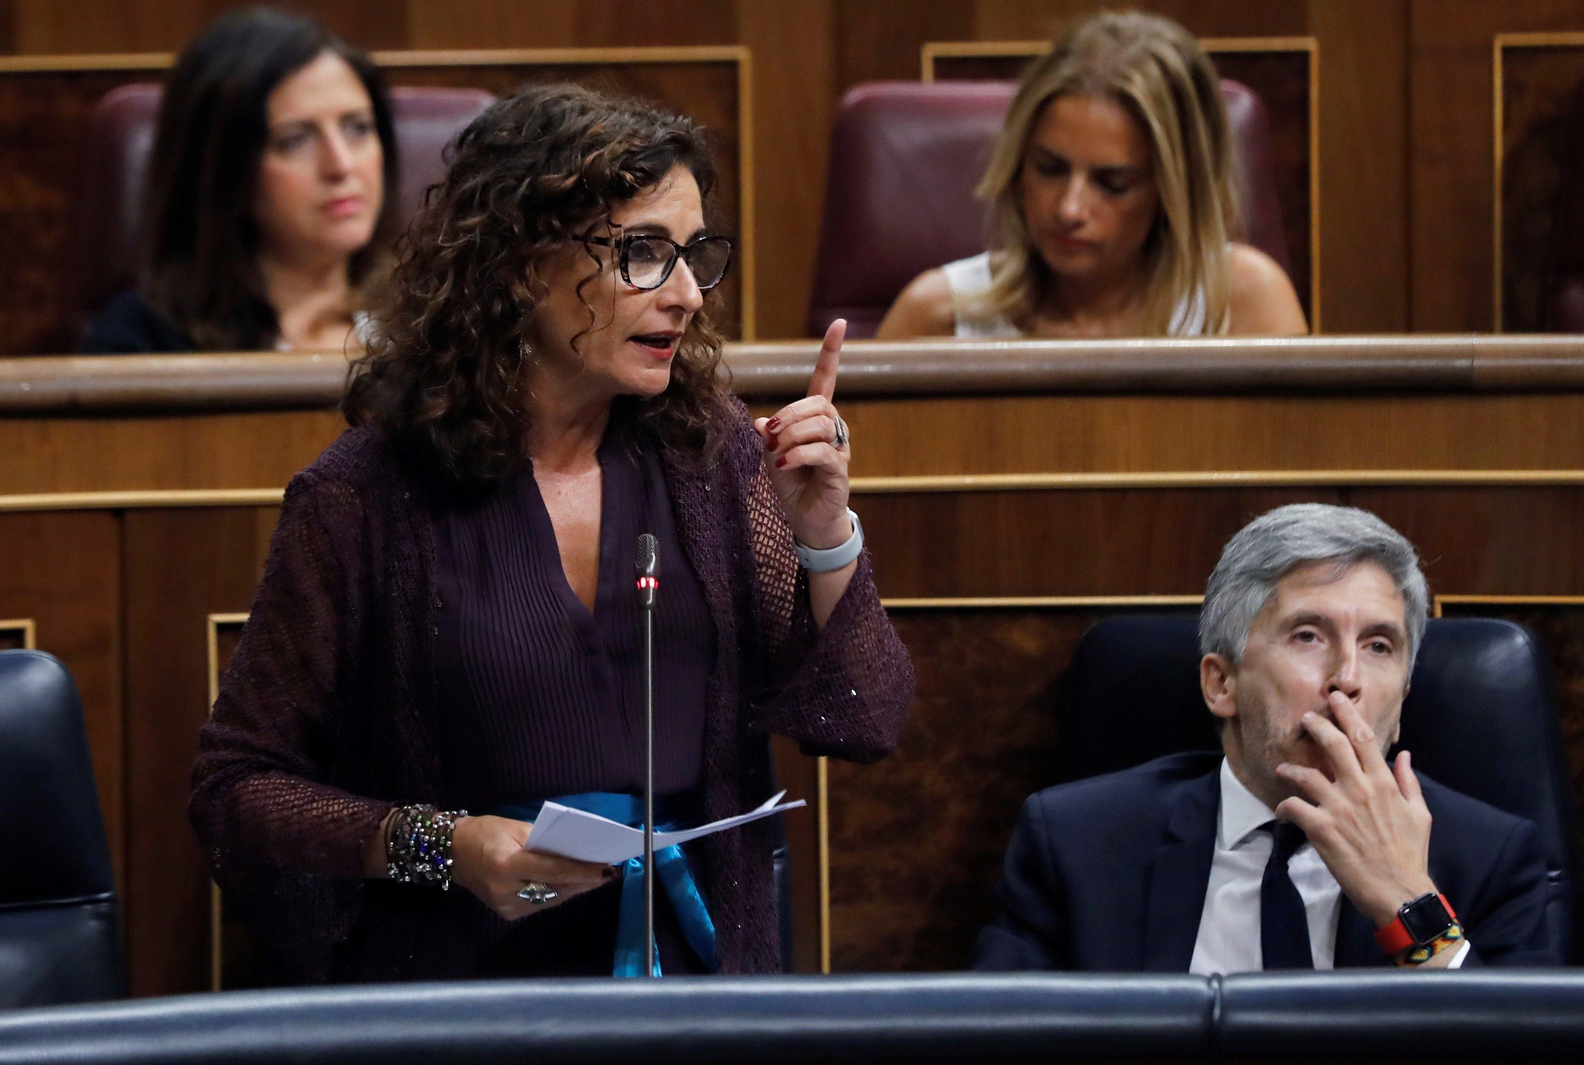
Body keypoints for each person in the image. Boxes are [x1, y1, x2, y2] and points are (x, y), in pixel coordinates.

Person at [190, 82, 913, 984]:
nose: (687, 294)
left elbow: (867, 715)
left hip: (696, 983)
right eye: (643, 253)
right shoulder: (364, 501)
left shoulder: (711, 455)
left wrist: (824, 533)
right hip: (466, 994)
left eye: (695, 255)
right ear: (520, 264)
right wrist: (444, 846)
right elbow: (236, 790)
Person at [976, 503, 1558, 972]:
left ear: (1402, 702)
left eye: (1379, 646)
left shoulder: (1491, 859)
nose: (1348, 678)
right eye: (1308, 636)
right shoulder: (1076, 844)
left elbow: (1525, 1051)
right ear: (1221, 683)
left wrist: (1407, 902)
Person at [877, 11, 1306, 340]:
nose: (1069, 209)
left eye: (1113, 184)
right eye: (1050, 169)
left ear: (1173, 189)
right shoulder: (936, 316)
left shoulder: (1244, 304)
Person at [81, 6, 395, 354]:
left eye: (358, 128)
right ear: (224, 168)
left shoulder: (424, 319)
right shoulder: (140, 341)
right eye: (294, 140)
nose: (341, 165)